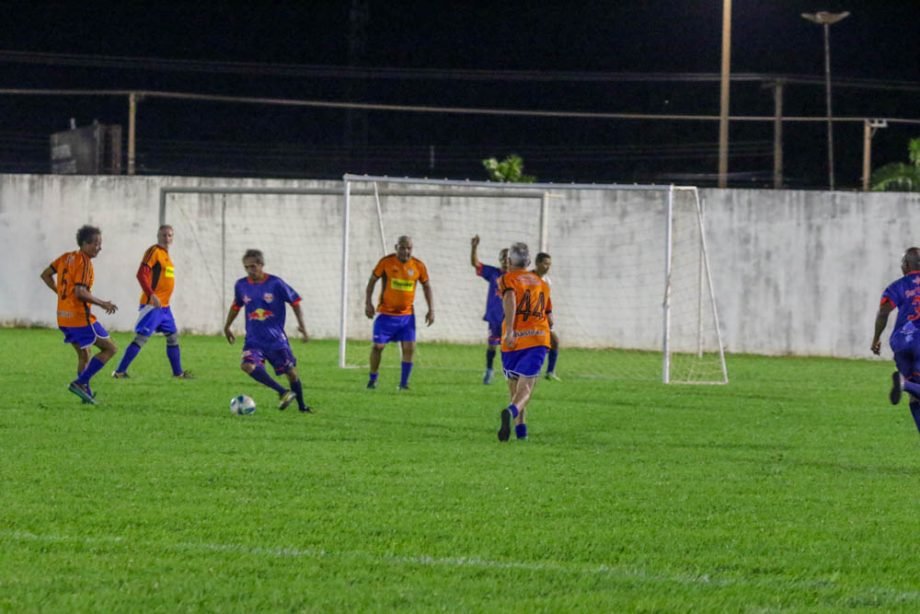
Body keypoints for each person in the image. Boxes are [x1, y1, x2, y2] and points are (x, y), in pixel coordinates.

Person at [223, 249, 312, 413]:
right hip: (254, 340)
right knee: (247, 365)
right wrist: (227, 326)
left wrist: (302, 326)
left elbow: (295, 302)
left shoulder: (275, 283)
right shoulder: (241, 285)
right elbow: (236, 306)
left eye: (253, 266)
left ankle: (302, 407)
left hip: (276, 340)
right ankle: (282, 391)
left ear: (261, 264)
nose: (250, 270)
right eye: (246, 267)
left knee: (291, 373)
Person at [40, 225, 119, 404]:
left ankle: (86, 395)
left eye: (100, 243)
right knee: (110, 349)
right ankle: (80, 383)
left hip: (63, 317)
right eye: (96, 243)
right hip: (80, 319)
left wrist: (60, 293)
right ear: (85, 243)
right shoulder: (84, 262)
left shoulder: (66, 257)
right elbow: (80, 292)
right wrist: (103, 303)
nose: (99, 247)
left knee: (84, 354)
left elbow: (45, 275)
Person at [112, 225, 191, 379]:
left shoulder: (166, 255)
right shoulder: (153, 251)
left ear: (172, 238)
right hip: (152, 306)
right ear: (158, 236)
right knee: (141, 338)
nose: (166, 238)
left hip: (165, 308)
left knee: (173, 337)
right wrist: (152, 295)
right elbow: (141, 274)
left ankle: (178, 373)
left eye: (169, 235)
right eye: (163, 235)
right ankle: (119, 372)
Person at [496, 242, 553, 442]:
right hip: (536, 339)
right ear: (529, 261)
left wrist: (511, 330)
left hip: (512, 341)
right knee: (525, 389)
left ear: (509, 260)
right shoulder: (542, 283)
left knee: (514, 387)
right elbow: (550, 318)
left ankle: (521, 432)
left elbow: (510, 298)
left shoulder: (507, 279)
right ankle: (511, 412)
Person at [364, 235, 434, 390]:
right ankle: (373, 379)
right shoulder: (386, 262)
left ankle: (403, 384)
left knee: (409, 348)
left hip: (407, 316)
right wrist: (368, 302)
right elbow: (372, 281)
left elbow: (427, 286)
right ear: (396, 247)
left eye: (409, 248)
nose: (406, 251)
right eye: (402, 247)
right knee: (377, 347)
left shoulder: (418, 266)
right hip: (386, 314)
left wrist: (431, 309)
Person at [871, 247, 920, 435]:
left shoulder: (897, 286)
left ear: (906, 265)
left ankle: (906, 384)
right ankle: (904, 384)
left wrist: (876, 338)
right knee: (913, 388)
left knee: (916, 396)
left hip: (901, 343)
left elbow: (883, 312)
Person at [470, 235, 508, 384]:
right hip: (494, 317)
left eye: (509, 258)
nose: (506, 261)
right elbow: (475, 264)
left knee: (509, 347)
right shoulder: (493, 273)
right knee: (492, 346)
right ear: (500, 260)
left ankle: (510, 372)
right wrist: (474, 247)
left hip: (510, 319)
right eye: (503, 258)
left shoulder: (517, 277)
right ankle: (489, 370)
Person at [533, 252, 561, 380]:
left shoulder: (547, 281)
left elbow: (546, 300)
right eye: (545, 263)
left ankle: (550, 373)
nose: (548, 267)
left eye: (549, 264)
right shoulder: (528, 278)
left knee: (554, 342)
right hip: (530, 318)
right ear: (537, 263)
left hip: (542, 316)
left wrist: (549, 314)